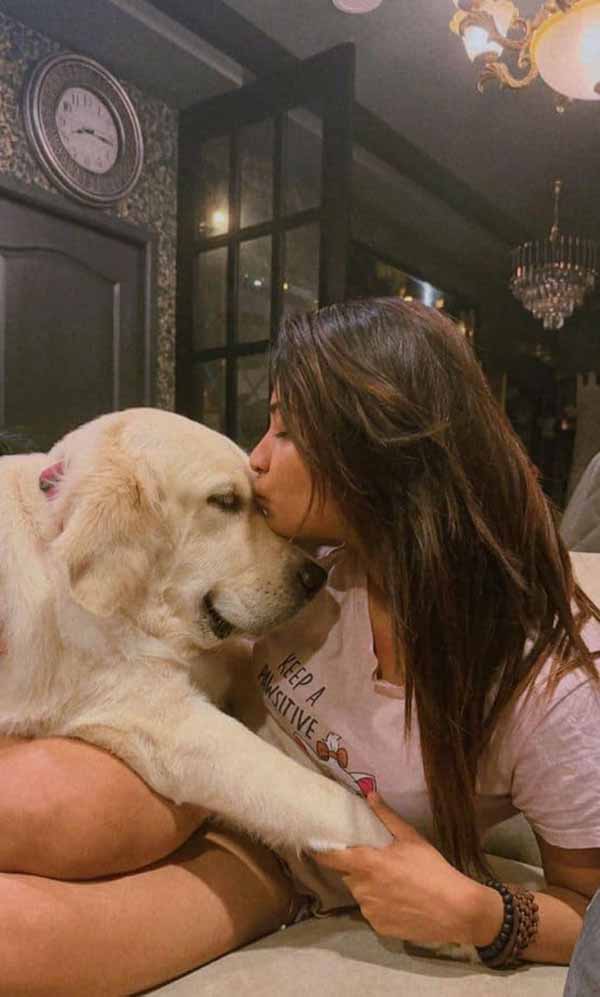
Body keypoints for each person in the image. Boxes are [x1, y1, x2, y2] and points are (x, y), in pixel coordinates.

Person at [0, 297, 599, 994]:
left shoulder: (550, 685)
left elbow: (588, 908)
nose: (255, 458)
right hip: (200, 754)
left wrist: (481, 914)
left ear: (376, 447)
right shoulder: (323, 560)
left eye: (286, 430)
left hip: (281, 861)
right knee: (40, 805)